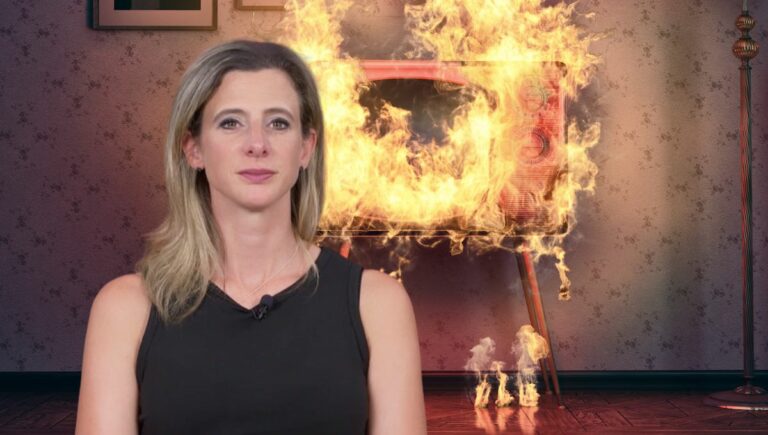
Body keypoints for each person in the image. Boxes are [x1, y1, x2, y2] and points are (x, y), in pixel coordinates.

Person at [75, 40, 427, 435]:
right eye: (231, 122)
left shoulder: (378, 304)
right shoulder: (125, 308)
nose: (257, 145)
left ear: (306, 148)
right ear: (193, 149)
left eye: (278, 123)